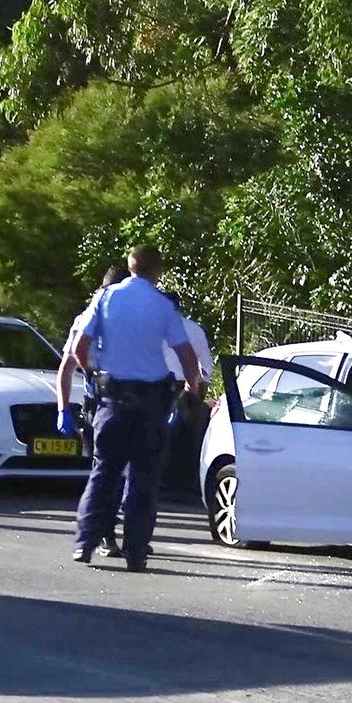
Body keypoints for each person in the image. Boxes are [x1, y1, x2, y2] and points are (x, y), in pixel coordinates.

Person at [68, 245, 201, 572]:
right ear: (157, 271)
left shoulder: (106, 298)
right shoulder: (163, 305)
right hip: (150, 402)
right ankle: (136, 552)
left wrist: (92, 373)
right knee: (143, 479)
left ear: (130, 266)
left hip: (112, 397)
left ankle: (85, 543)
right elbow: (186, 356)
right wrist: (191, 387)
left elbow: (79, 348)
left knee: (103, 472)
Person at [56, 264, 130, 558]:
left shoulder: (86, 317)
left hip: (100, 403)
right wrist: (63, 408)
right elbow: (68, 365)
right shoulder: (113, 318)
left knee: (105, 473)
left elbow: (66, 368)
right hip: (109, 402)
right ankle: (104, 534)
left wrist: (63, 407)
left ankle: (95, 536)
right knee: (111, 474)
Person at [161, 291, 213, 492]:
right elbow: (205, 366)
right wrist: (199, 393)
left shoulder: (155, 329)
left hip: (160, 386)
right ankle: (185, 484)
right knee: (187, 437)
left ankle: (162, 482)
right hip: (188, 386)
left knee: (157, 436)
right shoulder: (194, 329)